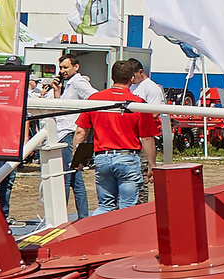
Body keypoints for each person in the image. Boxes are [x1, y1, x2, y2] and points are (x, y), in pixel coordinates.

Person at [83, 58, 157, 212]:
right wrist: (152, 164)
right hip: (127, 158)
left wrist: (78, 157)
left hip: (102, 157)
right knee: (127, 208)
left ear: (112, 77)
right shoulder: (138, 103)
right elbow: (147, 138)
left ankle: (96, 233)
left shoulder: (94, 99)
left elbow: (81, 131)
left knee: (104, 205)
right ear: (131, 78)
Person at [51, 53, 94, 218]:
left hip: (70, 133)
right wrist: (56, 92)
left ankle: (62, 217)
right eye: (60, 67)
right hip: (64, 132)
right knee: (75, 178)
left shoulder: (78, 82)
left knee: (67, 177)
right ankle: (82, 216)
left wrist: (83, 120)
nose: (62, 71)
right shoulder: (67, 84)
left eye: (65, 67)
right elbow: (60, 110)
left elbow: (93, 96)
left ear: (76, 67)